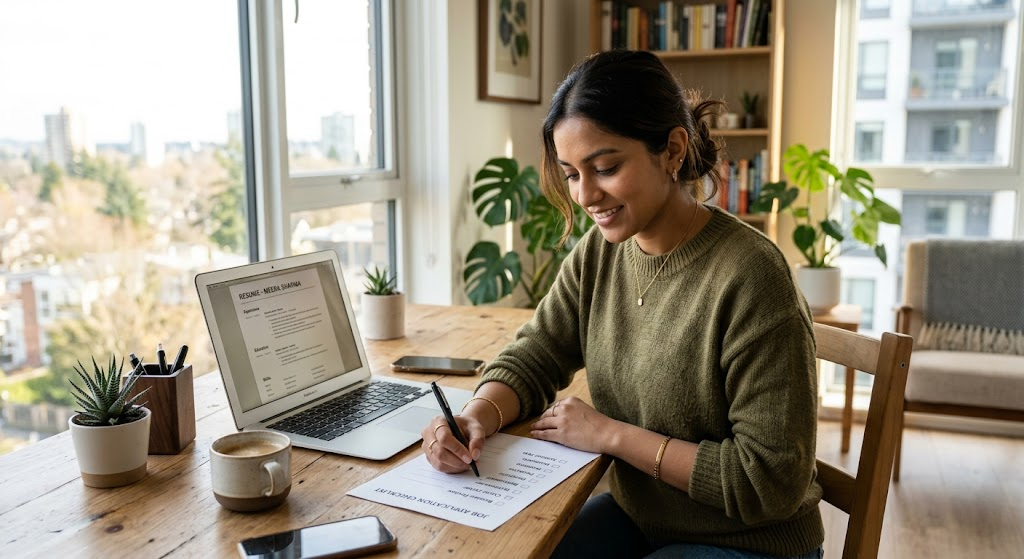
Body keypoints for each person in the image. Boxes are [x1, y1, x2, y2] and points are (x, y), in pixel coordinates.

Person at [422, 50, 824, 559]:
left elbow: (769, 482)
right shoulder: (601, 253)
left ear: (673, 150)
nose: (586, 195)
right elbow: (539, 351)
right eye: (571, 173)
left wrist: (611, 435)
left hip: (751, 543)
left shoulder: (752, 277)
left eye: (605, 167)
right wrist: (477, 415)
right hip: (643, 520)